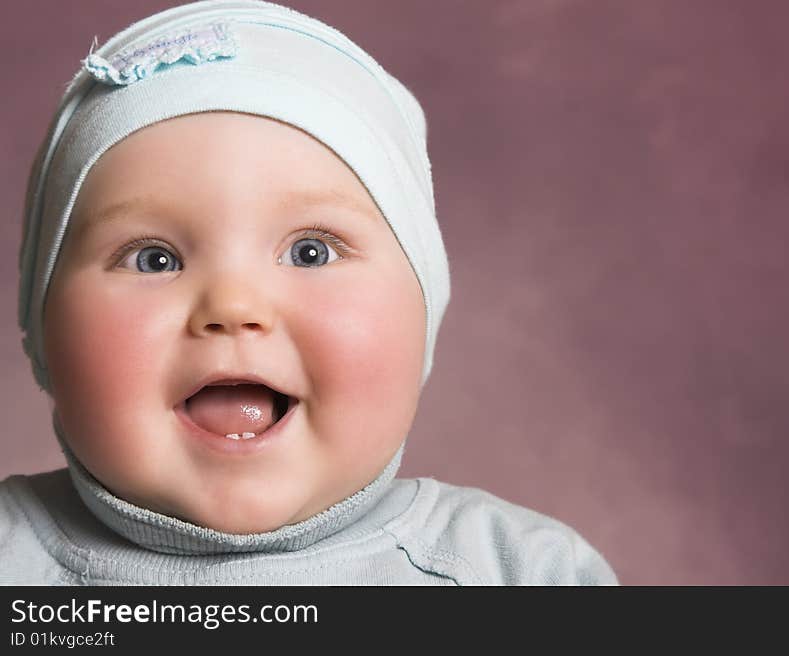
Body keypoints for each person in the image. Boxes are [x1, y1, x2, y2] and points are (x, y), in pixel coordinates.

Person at [0, 0, 616, 585]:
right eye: (154, 259)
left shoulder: (522, 576)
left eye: (310, 252)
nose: (233, 306)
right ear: (43, 331)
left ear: (424, 313)